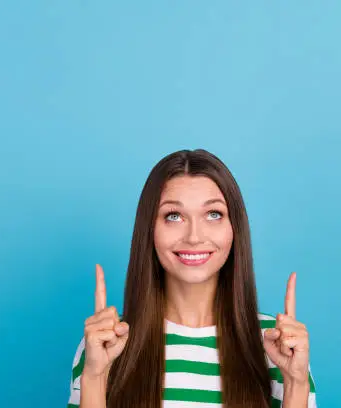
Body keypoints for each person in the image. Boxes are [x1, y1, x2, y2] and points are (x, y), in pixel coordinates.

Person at [67, 149, 317, 408]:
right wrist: (94, 378)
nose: (194, 237)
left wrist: (296, 383)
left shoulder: (277, 344)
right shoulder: (105, 344)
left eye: (214, 214)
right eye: (174, 216)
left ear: (235, 228)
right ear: (149, 230)